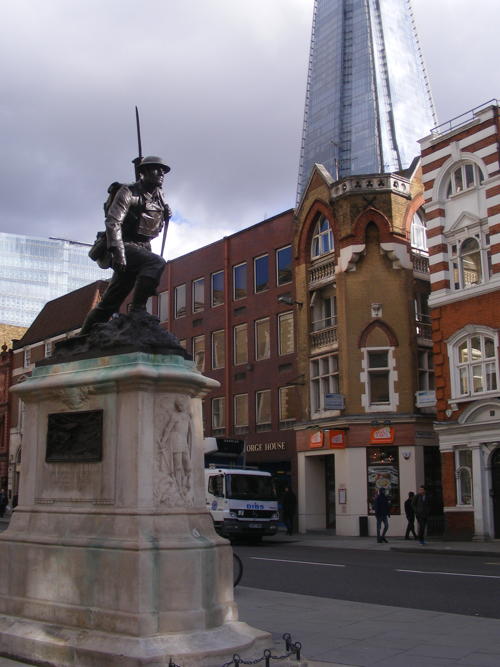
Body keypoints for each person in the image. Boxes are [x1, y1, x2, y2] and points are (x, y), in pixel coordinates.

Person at [81, 156, 171, 334]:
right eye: (156, 169)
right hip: (123, 244)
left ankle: (82, 336)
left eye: (163, 170)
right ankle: (138, 310)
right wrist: (119, 252)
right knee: (157, 262)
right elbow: (113, 222)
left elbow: (152, 227)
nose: (161, 173)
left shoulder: (159, 196)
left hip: (141, 247)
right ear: (143, 172)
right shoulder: (128, 192)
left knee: (111, 301)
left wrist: (164, 215)